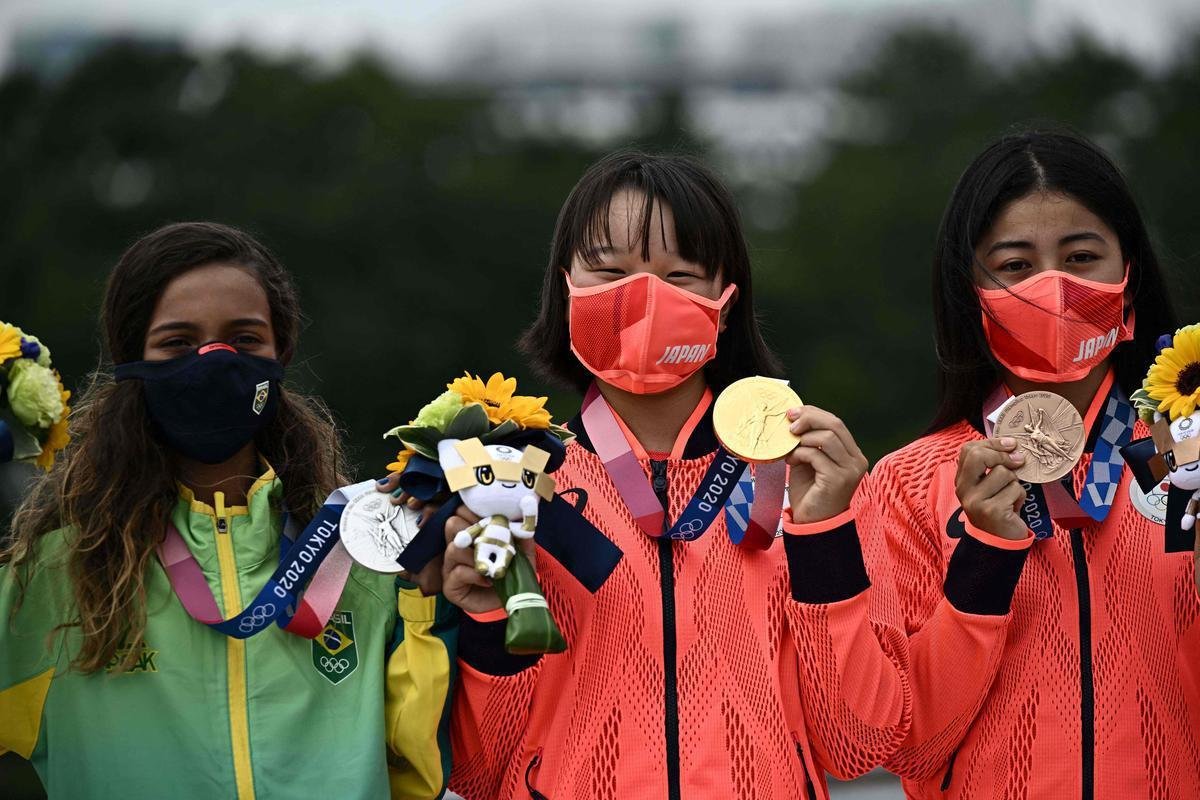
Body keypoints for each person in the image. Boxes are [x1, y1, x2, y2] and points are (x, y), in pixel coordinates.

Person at [423, 150, 909, 800]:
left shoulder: (806, 482)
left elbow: (860, 745)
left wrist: (826, 540)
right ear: (566, 287)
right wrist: (487, 621)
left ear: (726, 301)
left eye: (680, 274)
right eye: (611, 270)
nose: (644, 298)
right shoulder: (513, 483)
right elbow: (481, 775)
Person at [0, 222, 456, 800]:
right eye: (178, 343)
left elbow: (430, 768)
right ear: (132, 360)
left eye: (243, 341)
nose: (213, 361)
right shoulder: (55, 575)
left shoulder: (367, 551)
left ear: (279, 355)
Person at [872, 129, 1199, 798]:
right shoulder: (907, 486)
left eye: (1081, 257)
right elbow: (905, 744)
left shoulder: (1186, 455)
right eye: (1016, 265)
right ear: (972, 293)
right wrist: (981, 569)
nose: (1055, 287)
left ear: (1129, 280)